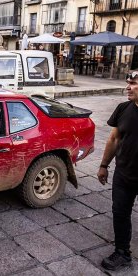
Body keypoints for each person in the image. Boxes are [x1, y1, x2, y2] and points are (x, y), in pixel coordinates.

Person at [97, 71, 138, 271]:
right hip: (124, 174)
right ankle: (122, 252)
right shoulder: (123, 108)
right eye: (127, 82)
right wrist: (104, 165)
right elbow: (114, 139)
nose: (128, 87)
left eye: (134, 83)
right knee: (120, 213)